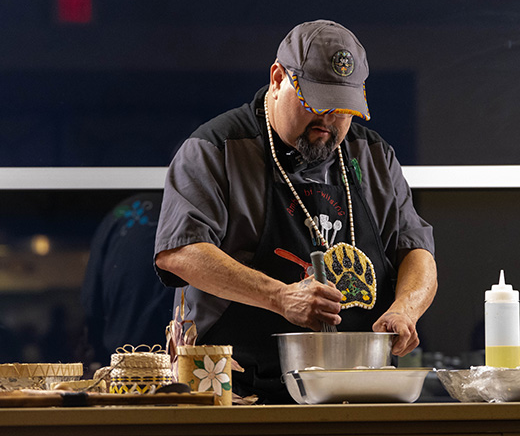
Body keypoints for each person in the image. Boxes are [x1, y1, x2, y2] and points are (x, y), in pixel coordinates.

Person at [154, 20, 438, 403]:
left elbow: (416, 249)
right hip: (234, 396)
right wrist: (279, 297)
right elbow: (180, 252)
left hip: (358, 391)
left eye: (341, 109)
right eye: (315, 103)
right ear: (277, 78)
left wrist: (406, 309)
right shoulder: (217, 149)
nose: (328, 122)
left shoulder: (373, 157)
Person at [82, 192, 174, 368]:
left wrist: (99, 354)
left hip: (125, 356)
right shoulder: (192, 212)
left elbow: (91, 299)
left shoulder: (121, 214)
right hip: (187, 360)